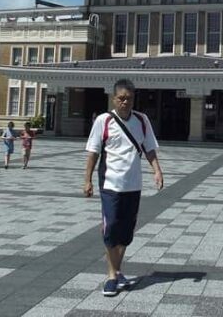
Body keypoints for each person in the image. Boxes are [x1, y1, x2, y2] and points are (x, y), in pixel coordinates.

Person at [84, 79, 163, 297]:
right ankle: (111, 275)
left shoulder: (142, 120)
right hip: (110, 184)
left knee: (126, 233)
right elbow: (93, 152)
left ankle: (118, 270)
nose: (125, 102)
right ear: (113, 98)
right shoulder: (104, 120)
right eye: (121, 98)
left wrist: (157, 170)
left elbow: (149, 148)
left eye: (128, 98)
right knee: (110, 230)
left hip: (133, 185)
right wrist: (87, 179)